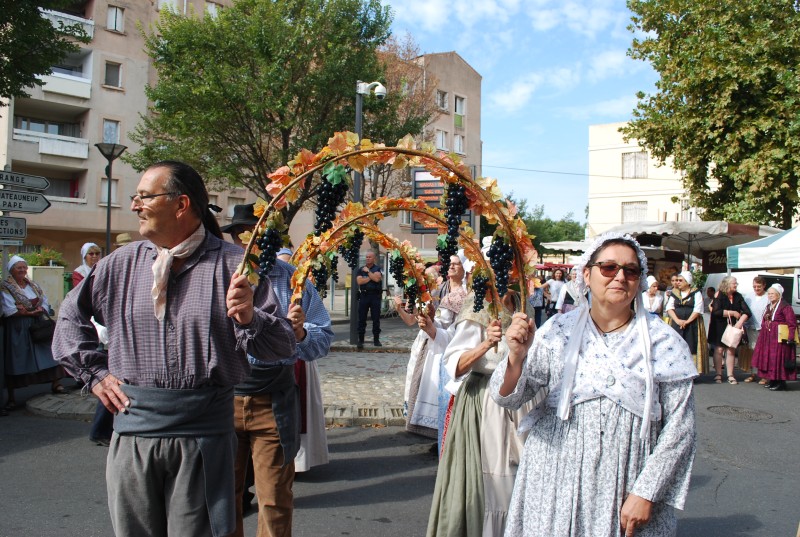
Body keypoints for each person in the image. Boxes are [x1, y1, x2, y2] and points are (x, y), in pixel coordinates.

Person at [53, 160, 296, 537]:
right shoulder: (121, 264)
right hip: (133, 433)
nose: (135, 205)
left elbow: (280, 345)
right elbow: (69, 317)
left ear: (180, 204)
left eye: (144, 196)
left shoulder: (235, 267)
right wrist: (96, 375)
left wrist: (250, 317)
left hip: (204, 438)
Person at [490, 232, 698, 537]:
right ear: (587, 274)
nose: (620, 277)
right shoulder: (558, 331)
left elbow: (681, 428)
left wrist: (647, 492)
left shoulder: (664, 343)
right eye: (609, 267)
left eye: (630, 270)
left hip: (626, 480)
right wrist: (516, 358)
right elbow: (508, 398)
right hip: (553, 479)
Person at [223, 204, 333, 534]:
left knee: (274, 499)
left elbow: (323, 338)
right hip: (223, 399)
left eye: (254, 237)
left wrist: (299, 333)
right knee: (223, 498)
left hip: (273, 399)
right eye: (240, 238)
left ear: (268, 238)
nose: (247, 245)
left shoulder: (293, 281)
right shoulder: (219, 277)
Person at [425, 285, 534, 537]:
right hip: (485, 403)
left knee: (520, 482)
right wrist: (486, 343)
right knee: (489, 484)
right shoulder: (477, 305)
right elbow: (455, 364)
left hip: (522, 401)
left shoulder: (523, 302)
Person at [405, 255, 467, 445]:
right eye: (451, 264)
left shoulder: (464, 294)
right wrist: (430, 315)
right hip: (433, 338)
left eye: (457, 264)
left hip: (447, 343)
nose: (452, 267)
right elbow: (436, 315)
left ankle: (445, 434)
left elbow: (454, 327)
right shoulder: (442, 288)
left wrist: (434, 325)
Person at [2, 256, 66, 411]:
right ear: (11, 270)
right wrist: (26, 313)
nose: (23, 270)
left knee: (47, 352)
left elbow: (43, 300)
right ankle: (11, 396)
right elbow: (9, 309)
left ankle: (55, 383)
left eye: (24, 267)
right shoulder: (6, 287)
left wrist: (38, 309)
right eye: (19, 268)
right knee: (17, 358)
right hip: (18, 327)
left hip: (37, 324)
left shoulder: (32, 285)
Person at [751, 283, 796, 391]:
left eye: (772, 294)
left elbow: (792, 323)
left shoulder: (785, 307)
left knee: (778, 359)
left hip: (779, 337)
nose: (770, 295)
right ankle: (772, 380)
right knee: (770, 359)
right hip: (768, 337)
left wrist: (790, 338)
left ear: (779, 294)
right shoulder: (769, 306)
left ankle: (780, 382)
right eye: (769, 294)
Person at [708, 276, 751, 385]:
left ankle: (730, 375)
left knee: (731, 349)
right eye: (734, 283)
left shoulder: (738, 296)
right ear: (727, 284)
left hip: (733, 327)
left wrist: (740, 322)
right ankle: (718, 374)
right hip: (719, 326)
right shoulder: (719, 295)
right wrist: (732, 313)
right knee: (719, 350)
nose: (736, 285)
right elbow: (716, 312)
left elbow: (747, 311)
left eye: (736, 283)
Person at [665, 271, 708, 377]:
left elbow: (698, 309)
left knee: (691, 345)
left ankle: (691, 372)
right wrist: (678, 320)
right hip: (676, 323)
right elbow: (669, 308)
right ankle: (676, 370)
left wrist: (687, 321)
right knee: (676, 345)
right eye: (677, 280)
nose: (678, 282)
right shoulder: (674, 292)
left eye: (681, 280)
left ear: (687, 282)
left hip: (692, 324)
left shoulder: (695, 292)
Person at [742, 276, 769, 383]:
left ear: (764, 286)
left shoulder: (768, 296)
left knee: (764, 352)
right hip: (750, 327)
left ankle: (764, 375)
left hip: (764, 329)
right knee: (752, 351)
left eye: (759, 286)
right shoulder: (749, 296)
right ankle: (753, 373)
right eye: (754, 286)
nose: (756, 289)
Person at [356, 250, 383, 349]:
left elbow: (377, 279)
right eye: (366, 257)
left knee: (376, 319)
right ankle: (361, 340)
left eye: (369, 257)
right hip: (364, 296)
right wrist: (371, 276)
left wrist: (368, 273)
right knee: (362, 319)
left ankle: (376, 339)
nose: (367, 258)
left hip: (375, 296)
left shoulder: (377, 268)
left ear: (374, 258)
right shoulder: (361, 269)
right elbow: (359, 281)